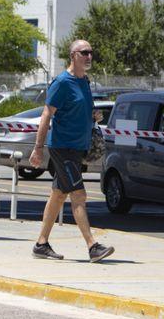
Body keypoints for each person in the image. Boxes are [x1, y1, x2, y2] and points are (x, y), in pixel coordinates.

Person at [28, 39, 114, 263]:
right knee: (79, 195)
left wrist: (94, 116)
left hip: (77, 148)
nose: (89, 57)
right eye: (84, 52)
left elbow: (81, 110)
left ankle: (41, 244)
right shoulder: (62, 82)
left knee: (58, 195)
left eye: (91, 52)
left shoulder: (84, 81)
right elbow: (47, 114)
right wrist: (37, 148)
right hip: (62, 147)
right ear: (73, 55)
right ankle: (92, 246)